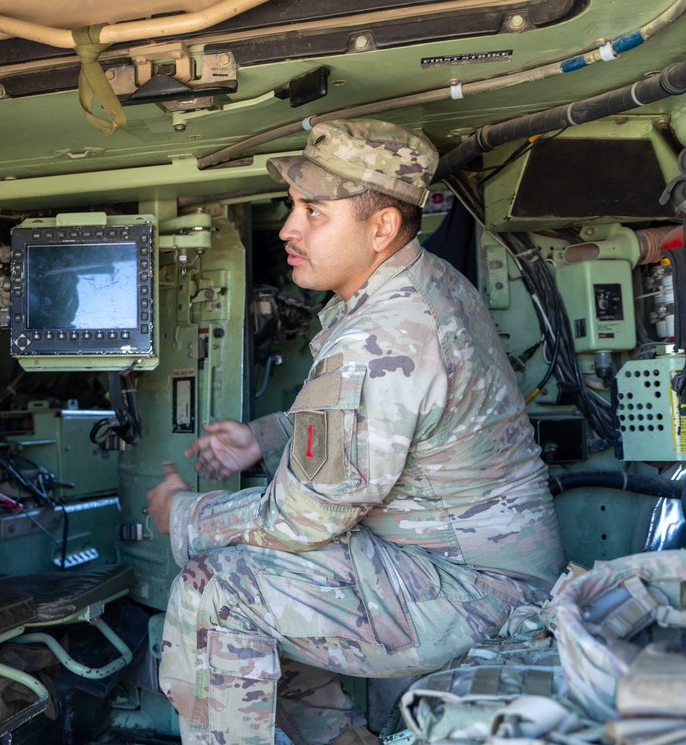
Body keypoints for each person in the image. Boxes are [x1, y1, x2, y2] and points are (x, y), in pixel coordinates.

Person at [146, 118, 564, 745]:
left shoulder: (382, 335)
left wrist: (181, 513)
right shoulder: (427, 283)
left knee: (217, 588)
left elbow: (303, 518)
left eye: (313, 211)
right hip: (466, 567)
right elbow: (379, 425)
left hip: (475, 593)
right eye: (292, 207)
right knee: (254, 563)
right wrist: (264, 436)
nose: (289, 228)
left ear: (381, 228)